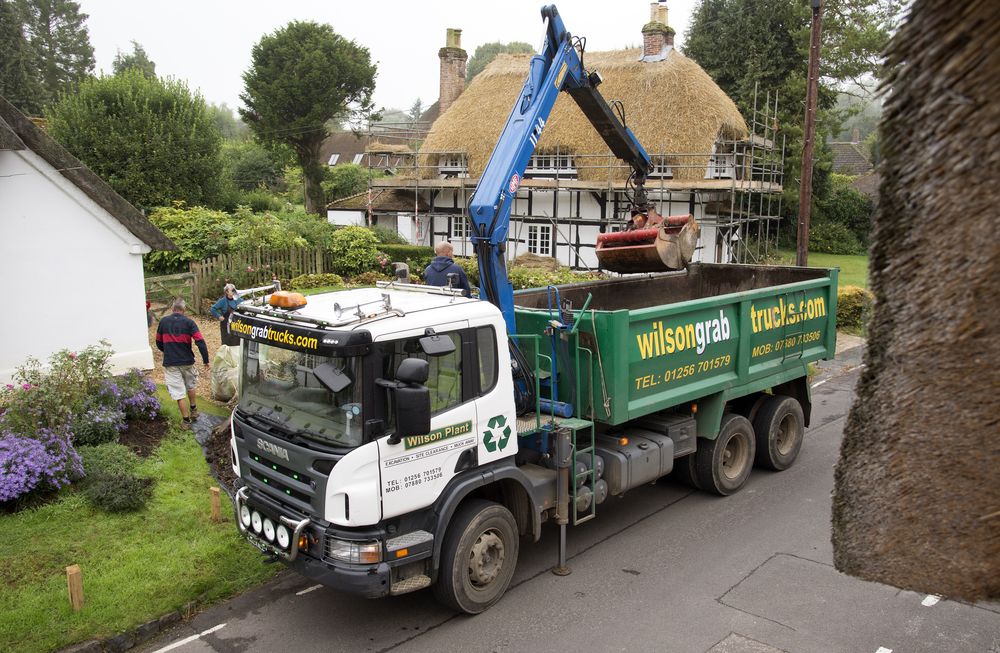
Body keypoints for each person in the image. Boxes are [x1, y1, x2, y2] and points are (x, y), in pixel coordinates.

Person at [156, 297, 210, 426]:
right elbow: (200, 341)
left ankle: (186, 421)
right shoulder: (189, 323)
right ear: (184, 309)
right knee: (190, 385)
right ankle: (194, 410)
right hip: (187, 361)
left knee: (178, 393)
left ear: (172, 308)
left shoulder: (163, 322)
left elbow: (158, 342)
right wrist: (206, 360)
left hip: (171, 363)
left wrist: (168, 350)